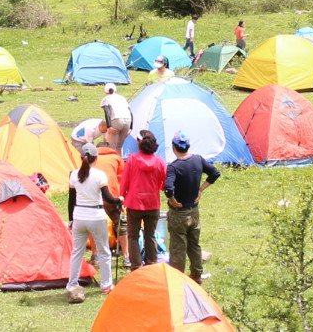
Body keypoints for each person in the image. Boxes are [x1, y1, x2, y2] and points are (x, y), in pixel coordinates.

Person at [162, 132, 219, 282]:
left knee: (178, 247)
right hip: (194, 212)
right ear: (188, 146)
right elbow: (215, 173)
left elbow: (168, 189)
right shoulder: (198, 160)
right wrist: (200, 190)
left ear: (174, 147)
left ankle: (177, 278)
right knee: (194, 244)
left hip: (178, 214)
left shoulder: (174, 167)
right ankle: (196, 275)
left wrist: (173, 200)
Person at [63, 145, 118, 303]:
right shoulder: (99, 175)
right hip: (96, 215)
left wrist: (71, 220)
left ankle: (72, 284)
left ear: (81, 158)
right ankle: (106, 285)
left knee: (77, 252)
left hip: (80, 216)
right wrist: (118, 200)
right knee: (104, 252)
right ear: (96, 158)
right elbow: (107, 197)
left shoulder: (74, 175)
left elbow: (71, 200)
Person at [119, 129, 166, 270]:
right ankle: (151, 264)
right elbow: (164, 184)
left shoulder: (132, 159)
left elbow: (124, 181)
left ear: (140, 144)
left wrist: (122, 196)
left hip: (134, 203)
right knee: (150, 235)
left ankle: (136, 266)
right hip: (152, 203)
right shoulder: (159, 161)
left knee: (133, 236)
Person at [101, 83, 133, 150]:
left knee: (111, 147)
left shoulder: (106, 98)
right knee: (119, 146)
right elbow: (130, 111)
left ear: (106, 92)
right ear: (116, 91)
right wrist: (131, 127)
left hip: (116, 120)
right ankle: (119, 160)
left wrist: (109, 126)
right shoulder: (122, 98)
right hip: (128, 120)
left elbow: (106, 112)